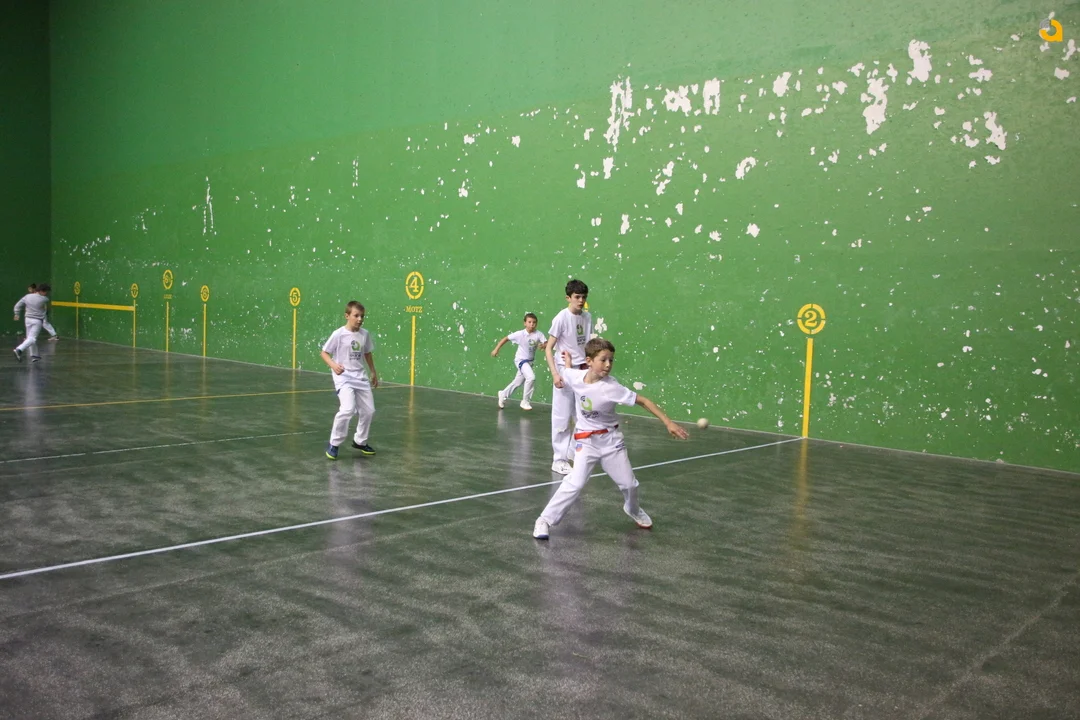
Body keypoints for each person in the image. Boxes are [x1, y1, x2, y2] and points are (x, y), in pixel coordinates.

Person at [532, 338, 689, 540]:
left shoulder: (612, 387)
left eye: (611, 360)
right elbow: (566, 372)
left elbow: (643, 401)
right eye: (603, 360)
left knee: (630, 485)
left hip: (611, 442)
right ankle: (544, 520)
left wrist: (668, 423)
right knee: (575, 483)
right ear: (589, 361)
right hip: (586, 443)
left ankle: (633, 509)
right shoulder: (575, 377)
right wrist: (568, 362)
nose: (608, 365)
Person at [544, 279, 591, 474]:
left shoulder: (587, 317)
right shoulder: (561, 318)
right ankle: (559, 460)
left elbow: (584, 345)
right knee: (562, 417)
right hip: (564, 371)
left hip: (582, 372)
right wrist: (555, 374)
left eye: (583, 297)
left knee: (583, 415)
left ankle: (572, 453)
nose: (580, 301)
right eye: (577, 297)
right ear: (568, 298)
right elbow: (548, 348)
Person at [320, 301, 378, 460]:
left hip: (360, 377)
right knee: (347, 409)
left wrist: (373, 372)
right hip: (343, 377)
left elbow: (367, 353)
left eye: (362, 316)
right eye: (356, 316)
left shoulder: (364, 334)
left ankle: (360, 441)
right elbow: (324, 353)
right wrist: (333, 365)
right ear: (347, 316)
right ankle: (334, 443)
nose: (360, 319)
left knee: (369, 411)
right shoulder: (338, 334)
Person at [490, 312, 547, 411]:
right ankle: (525, 401)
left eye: (534, 322)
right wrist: (496, 349)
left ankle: (503, 394)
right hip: (521, 361)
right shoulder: (520, 334)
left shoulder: (539, 334)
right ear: (525, 323)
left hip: (530, 362)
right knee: (531, 377)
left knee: (517, 382)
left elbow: (546, 343)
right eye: (529, 322)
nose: (532, 324)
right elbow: (506, 339)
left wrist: (544, 345)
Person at [13, 283, 51, 362]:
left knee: (29, 338)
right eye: (46, 291)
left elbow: (17, 305)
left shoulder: (27, 296)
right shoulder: (45, 299)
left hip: (27, 319)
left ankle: (34, 355)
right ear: (41, 291)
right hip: (37, 321)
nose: (46, 293)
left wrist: (17, 313)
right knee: (32, 338)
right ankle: (19, 349)